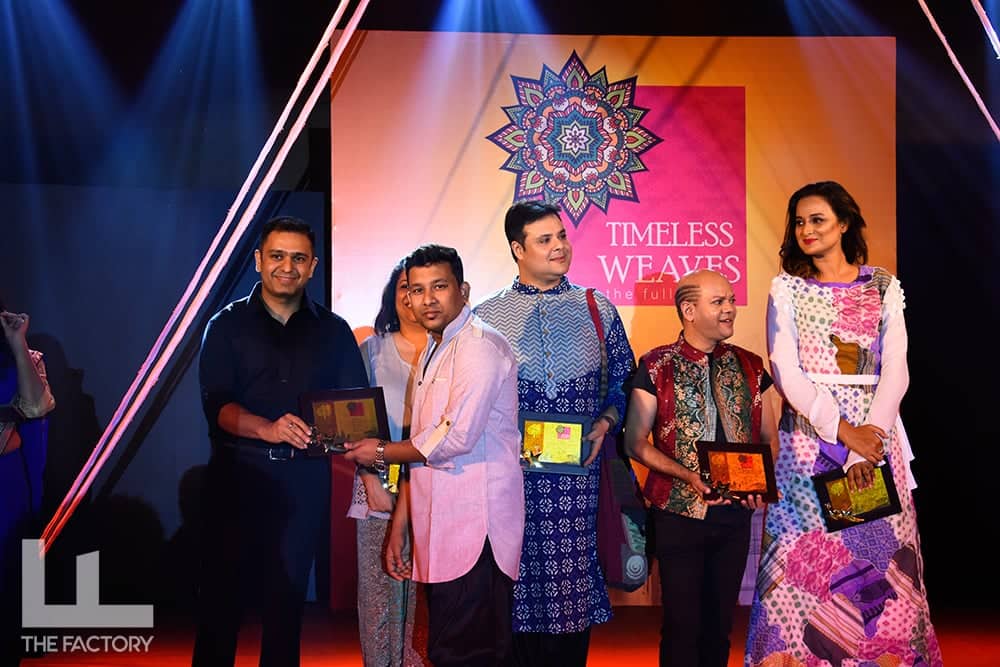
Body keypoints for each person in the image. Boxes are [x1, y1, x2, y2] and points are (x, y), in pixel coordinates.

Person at [745, 181, 941, 665]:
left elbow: (897, 370)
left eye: (818, 219)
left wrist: (865, 443)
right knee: (800, 560)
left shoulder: (882, 285)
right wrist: (841, 432)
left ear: (844, 223)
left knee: (882, 559)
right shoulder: (787, 288)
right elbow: (785, 370)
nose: (806, 230)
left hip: (876, 438)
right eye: (799, 221)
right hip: (808, 443)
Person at [192, 216, 368, 667]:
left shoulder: (334, 331)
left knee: (286, 609)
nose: (287, 267)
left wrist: (368, 461)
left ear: (312, 266)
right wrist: (267, 428)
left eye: (298, 258)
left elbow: (355, 411)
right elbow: (218, 407)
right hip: (237, 477)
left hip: (304, 482)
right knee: (220, 606)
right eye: (277, 256)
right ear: (258, 260)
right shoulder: (225, 325)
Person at [344, 244, 524, 667]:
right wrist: (401, 525)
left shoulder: (480, 346)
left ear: (463, 290)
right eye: (417, 289)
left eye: (439, 287)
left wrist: (382, 451)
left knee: (469, 653)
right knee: (447, 650)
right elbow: (424, 449)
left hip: (477, 532)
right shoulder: (435, 347)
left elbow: (454, 437)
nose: (426, 299)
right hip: (442, 526)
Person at [473, 201, 634, 666]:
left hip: (577, 481)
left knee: (571, 593)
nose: (559, 246)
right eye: (545, 240)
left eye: (561, 236)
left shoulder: (596, 307)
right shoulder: (485, 317)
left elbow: (624, 381)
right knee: (514, 590)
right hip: (511, 479)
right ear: (517, 249)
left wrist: (607, 421)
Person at [623, 269, 778, 667]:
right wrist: (688, 476)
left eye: (731, 300)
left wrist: (759, 484)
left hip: (735, 515)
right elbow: (635, 442)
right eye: (719, 302)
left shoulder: (751, 367)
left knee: (719, 625)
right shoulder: (656, 365)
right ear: (689, 311)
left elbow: (768, 439)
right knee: (681, 625)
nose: (730, 309)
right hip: (678, 514)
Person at [349, 261, 426, 667]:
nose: (412, 297)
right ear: (392, 296)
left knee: (424, 598)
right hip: (378, 482)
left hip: (435, 485)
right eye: (404, 287)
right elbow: (352, 423)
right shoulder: (371, 350)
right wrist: (368, 478)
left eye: (421, 288)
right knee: (379, 595)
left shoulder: (452, 350)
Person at [0, 304, 55, 667]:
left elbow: (36, 407)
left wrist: (17, 342)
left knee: (7, 583)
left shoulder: (22, 358)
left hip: (6, 482)